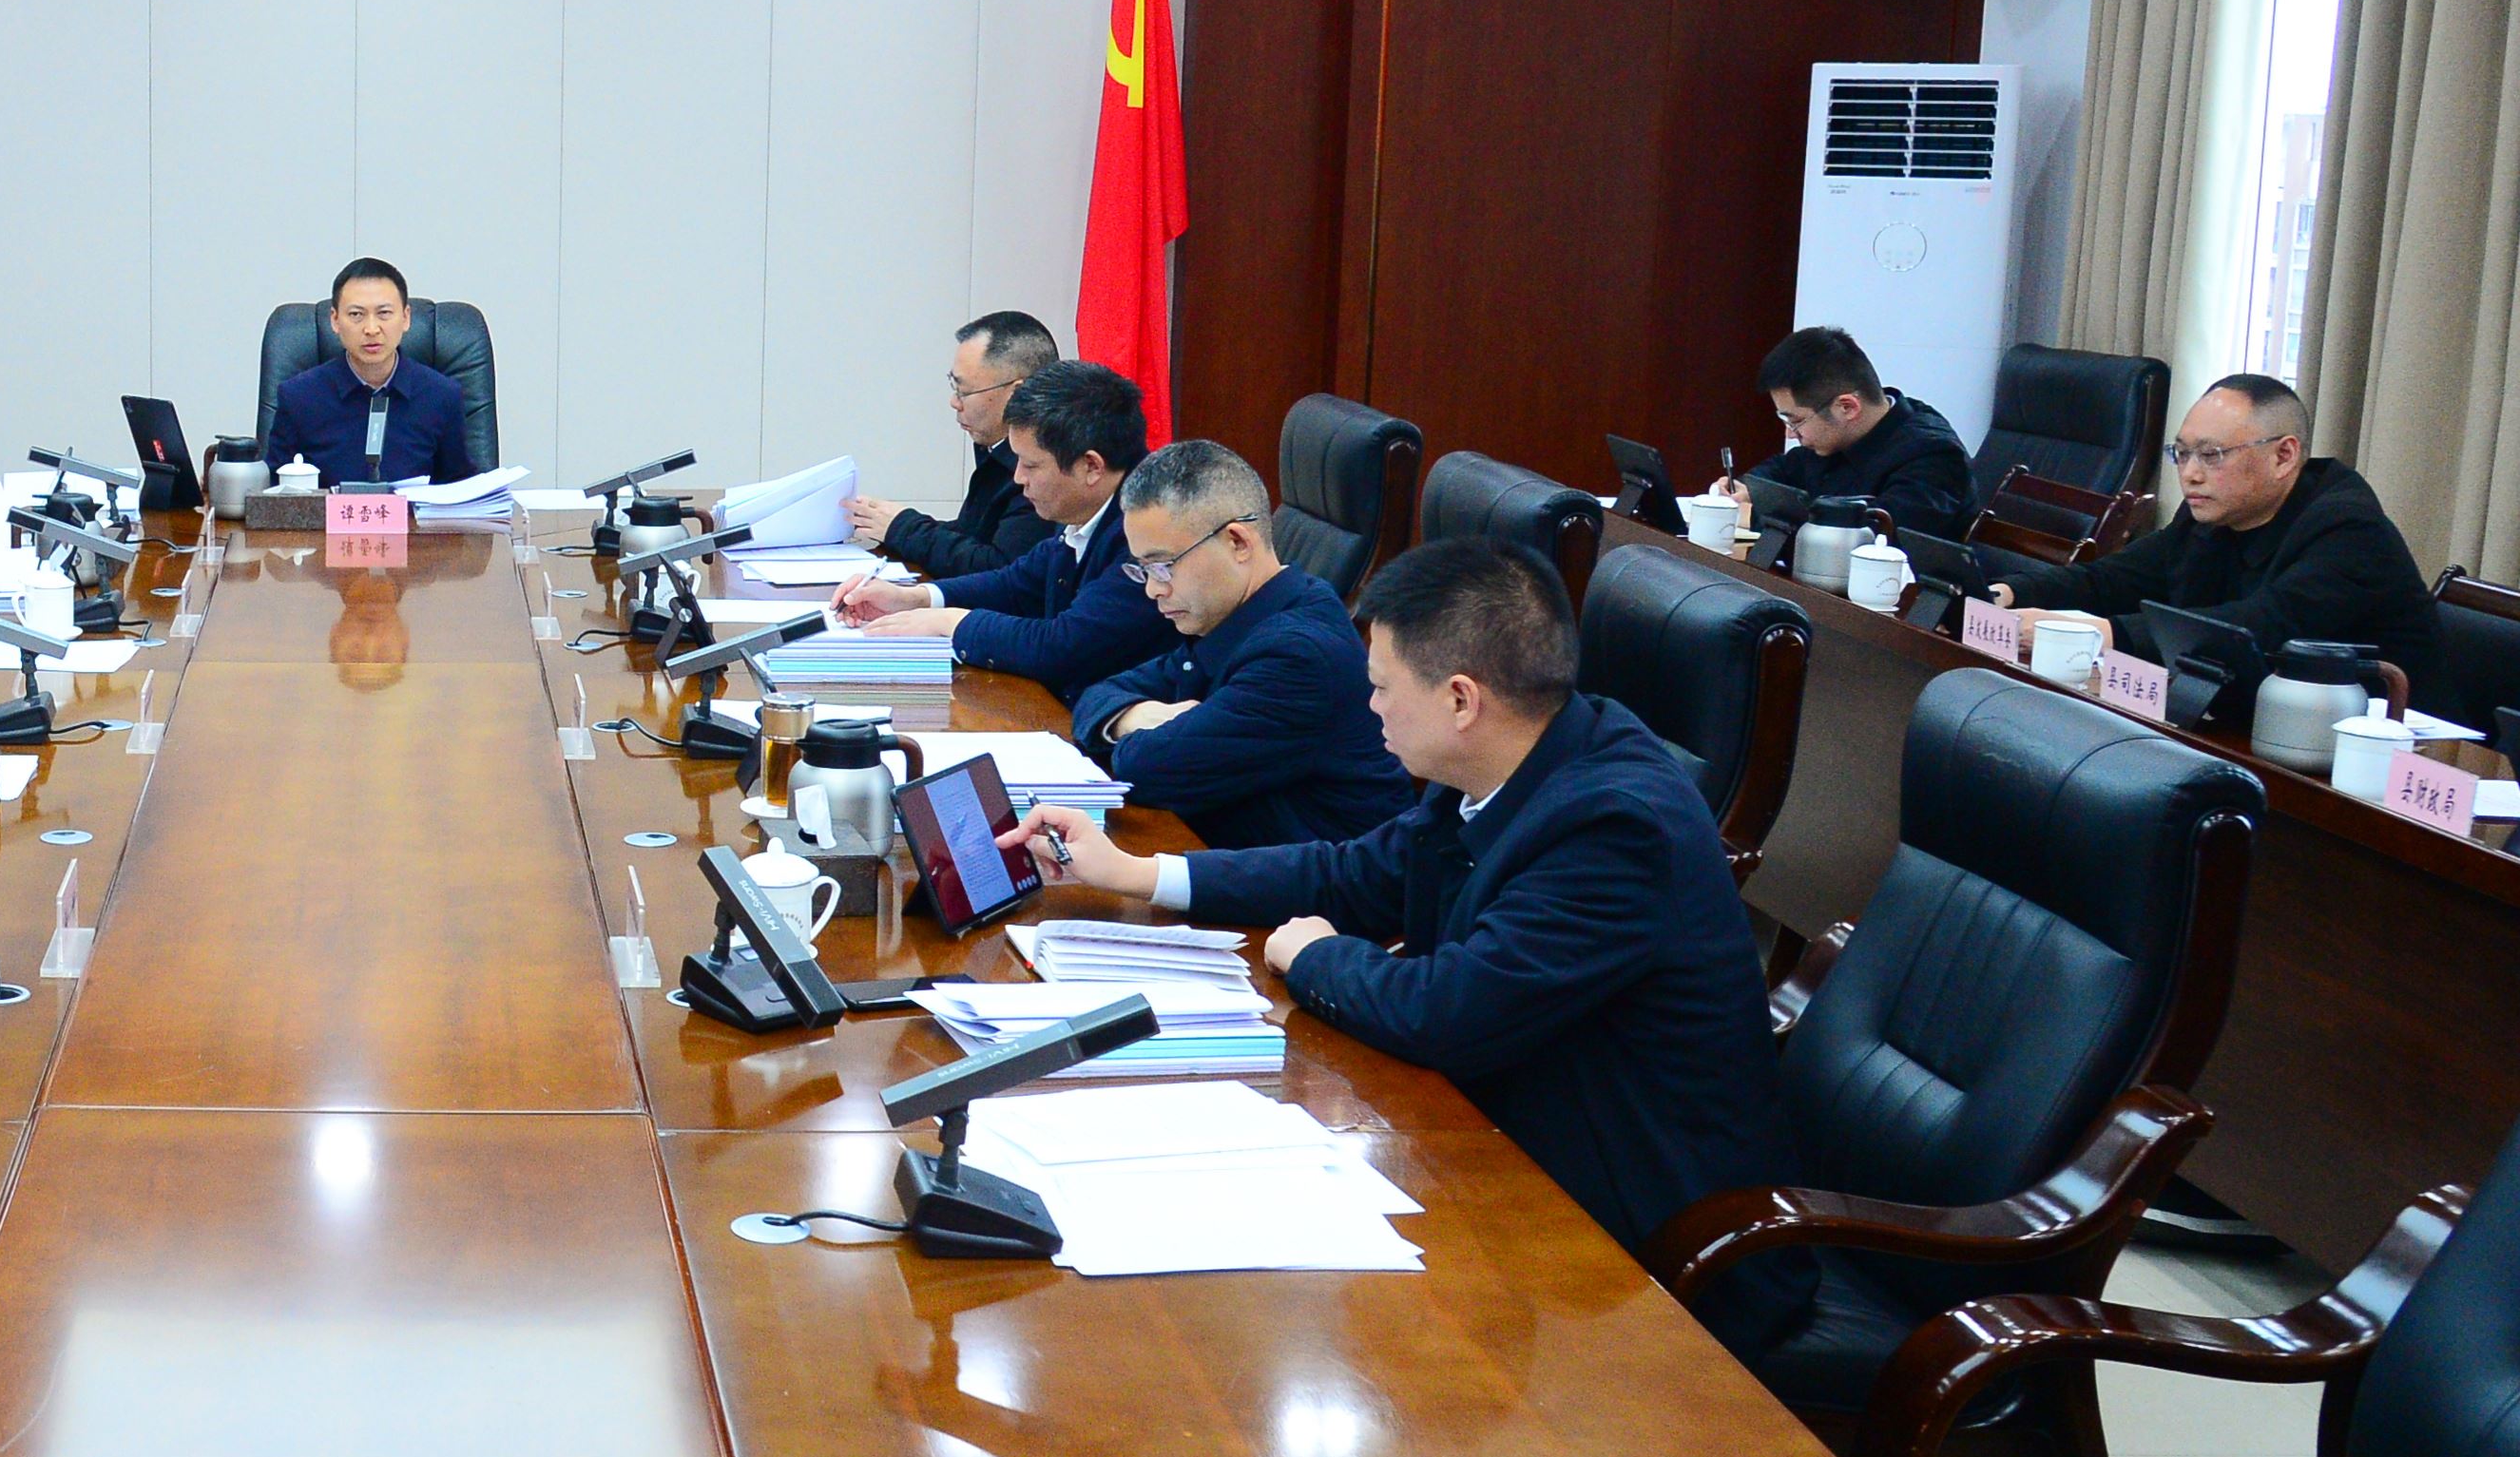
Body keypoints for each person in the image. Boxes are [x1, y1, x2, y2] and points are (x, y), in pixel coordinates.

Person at [1013, 541, 1802, 1343]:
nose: (1369, 707)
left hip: (1642, 1252)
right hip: (1508, 1152)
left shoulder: (1614, 826)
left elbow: (1447, 1012)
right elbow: (1351, 872)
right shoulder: (1517, 757)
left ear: (1460, 699)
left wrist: (1317, 956)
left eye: (1382, 687)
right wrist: (1137, 872)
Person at [1056, 440, 1418, 848]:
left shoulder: (1298, 656)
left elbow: (1147, 770)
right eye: (1144, 570)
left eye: (1163, 566)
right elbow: (1096, 694)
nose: (1153, 589)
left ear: (1238, 543)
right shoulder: (1237, 615)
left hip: (1316, 885)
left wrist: (1130, 729)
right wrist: (1134, 718)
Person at [1992, 374, 2438, 697]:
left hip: (2397, 749)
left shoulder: (2350, 531)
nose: (2190, 474)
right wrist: (2006, 592)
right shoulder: (2210, 515)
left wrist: (2101, 634)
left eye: (2211, 455)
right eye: (2182, 454)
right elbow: (2116, 577)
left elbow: (2260, 627)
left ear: (2284, 456)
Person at [834, 359, 1171, 697]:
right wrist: (914, 598)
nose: (1018, 478)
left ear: (1091, 466)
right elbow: (1016, 584)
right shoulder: (1088, 507)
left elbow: (1064, 646)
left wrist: (951, 623)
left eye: (1031, 465)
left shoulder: (1150, 532)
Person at [1713, 326, 1976, 541]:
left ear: (1847, 407)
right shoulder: (1836, 437)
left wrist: (1769, 511)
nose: (1791, 434)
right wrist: (1747, 489)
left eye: (1796, 421)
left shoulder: (1933, 456)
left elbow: (1873, 540)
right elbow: (1783, 470)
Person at [844, 312, 1059, 574]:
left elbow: (1001, 570)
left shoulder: (1047, 464)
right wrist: (892, 525)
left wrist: (903, 529)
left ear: (1016, 394)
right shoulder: (996, 449)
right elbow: (974, 535)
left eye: (964, 391)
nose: (954, 402)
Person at [261, 258, 471, 486]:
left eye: (384, 313)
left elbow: (461, 489)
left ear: (406, 317)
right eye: (356, 315)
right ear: (335, 320)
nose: (371, 329)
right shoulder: (299, 397)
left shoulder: (442, 396)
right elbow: (272, 491)